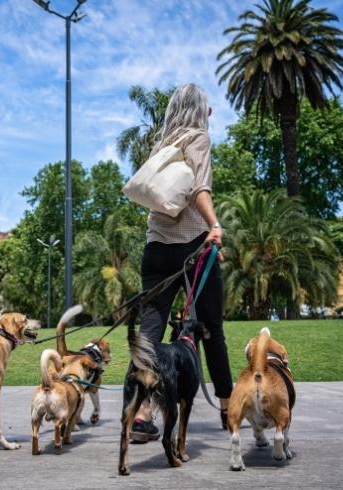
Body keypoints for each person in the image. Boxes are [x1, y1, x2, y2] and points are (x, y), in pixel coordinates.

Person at [130, 84, 233, 443]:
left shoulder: (161, 145)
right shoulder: (198, 139)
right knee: (211, 329)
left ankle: (141, 413)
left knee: (150, 332)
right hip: (193, 248)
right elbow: (200, 189)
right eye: (207, 106)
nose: (211, 112)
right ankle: (226, 406)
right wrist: (215, 225)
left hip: (156, 248)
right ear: (198, 109)